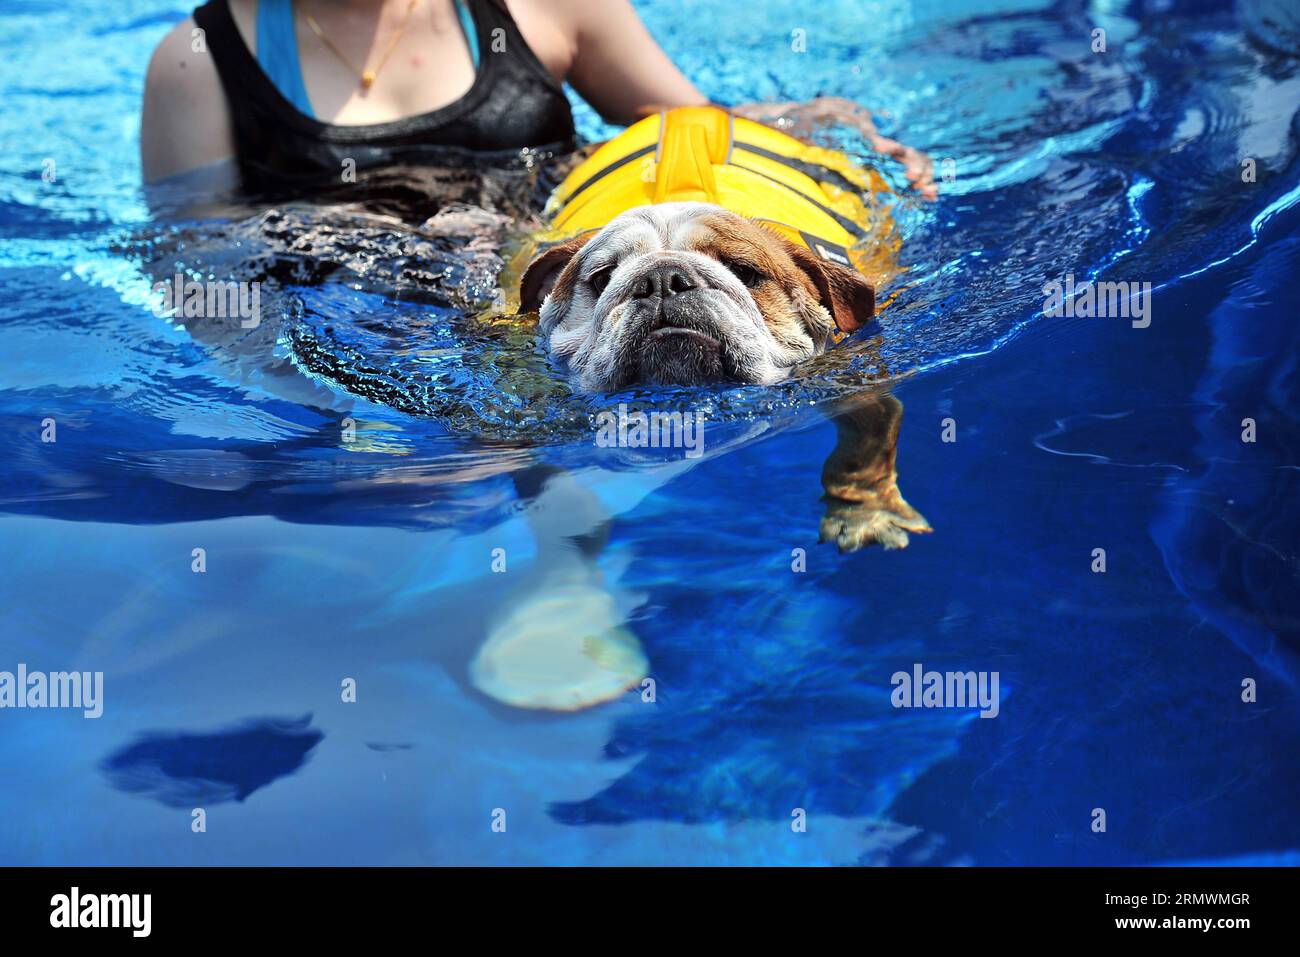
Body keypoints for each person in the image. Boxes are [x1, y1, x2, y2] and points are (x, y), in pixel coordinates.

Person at [141, 0, 935, 198]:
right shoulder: (198, 61)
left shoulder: (545, 7)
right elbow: (209, 285)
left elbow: (691, 127)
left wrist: (827, 128)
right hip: (362, 341)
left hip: (544, 307)